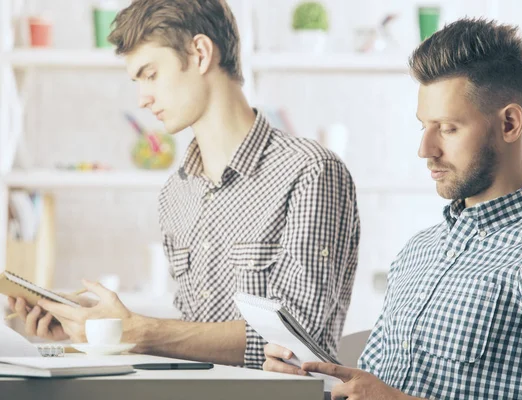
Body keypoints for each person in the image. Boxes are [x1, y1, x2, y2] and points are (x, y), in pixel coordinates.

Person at [9, 0, 360, 370]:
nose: (142, 98)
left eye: (150, 74)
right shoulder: (176, 194)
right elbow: (195, 339)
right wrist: (102, 327)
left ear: (200, 53)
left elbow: (296, 338)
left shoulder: (311, 172)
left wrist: (138, 332)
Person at [264, 18, 522, 399]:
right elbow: (375, 388)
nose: (425, 149)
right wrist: (315, 378)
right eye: (424, 126)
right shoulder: (417, 252)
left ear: (509, 123)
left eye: (448, 128)